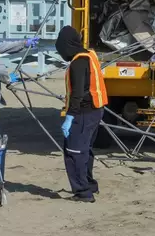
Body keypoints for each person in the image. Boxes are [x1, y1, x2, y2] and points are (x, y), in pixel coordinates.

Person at [55, 25, 108, 203]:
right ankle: (90, 184)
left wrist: (70, 117)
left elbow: (78, 92)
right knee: (85, 149)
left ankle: (83, 192)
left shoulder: (78, 62)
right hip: (96, 110)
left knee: (74, 151)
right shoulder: (89, 55)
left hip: (84, 112)